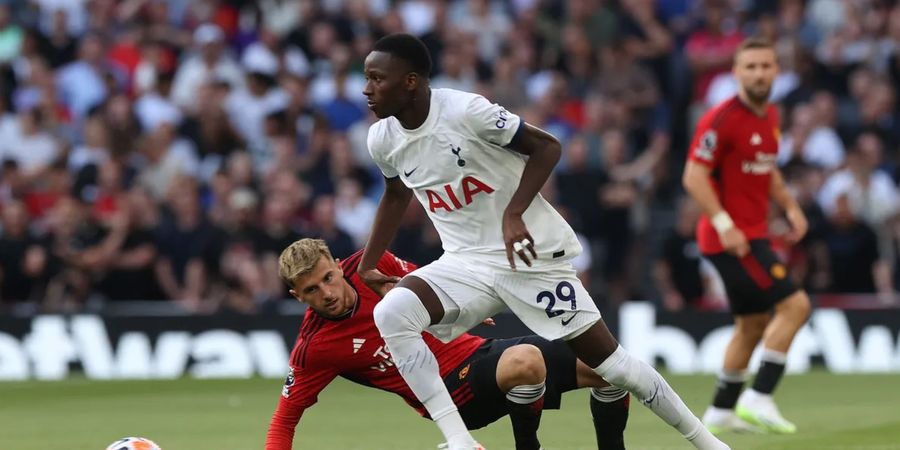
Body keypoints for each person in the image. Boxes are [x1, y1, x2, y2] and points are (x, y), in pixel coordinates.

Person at [357, 33, 729, 450]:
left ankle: (709, 444)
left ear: (410, 81)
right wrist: (367, 263)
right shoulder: (382, 139)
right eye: (366, 78)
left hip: (529, 258)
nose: (367, 89)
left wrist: (514, 213)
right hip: (465, 262)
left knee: (615, 369)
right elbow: (395, 195)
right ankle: (460, 442)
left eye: (376, 78)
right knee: (392, 313)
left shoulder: (466, 111)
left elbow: (548, 147)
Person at [265, 239, 631, 450]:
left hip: (479, 354)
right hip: (451, 393)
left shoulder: (370, 265)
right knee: (526, 361)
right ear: (297, 296)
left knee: (612, 368)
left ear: (338, 267)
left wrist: (461, 301)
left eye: (328, 278)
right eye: (312, 290)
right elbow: (283, 423)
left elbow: (429, 280)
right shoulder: (314, 348)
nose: (327, 293)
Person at [682, 37, 812, 434]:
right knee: (795, 307)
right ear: (736, 72)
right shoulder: (721, 118)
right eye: (750, 66)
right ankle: (760, 397)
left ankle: (721, 410)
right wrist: (725, 224)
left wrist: (790, 206)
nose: (758, 73)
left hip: (751, 233)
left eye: (765, 66)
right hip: (732, 238)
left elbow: (766, 166)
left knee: (752, 324)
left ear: (777, 71)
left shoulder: (769, 115)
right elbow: (694, 175)